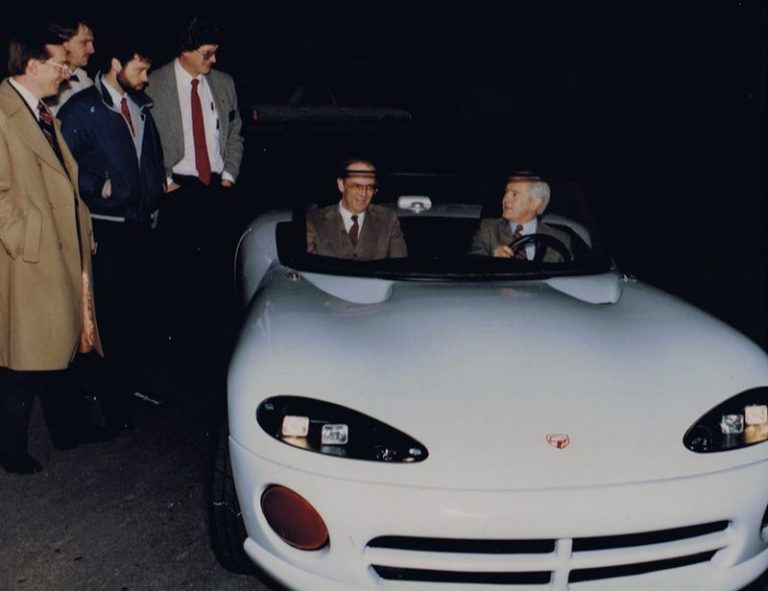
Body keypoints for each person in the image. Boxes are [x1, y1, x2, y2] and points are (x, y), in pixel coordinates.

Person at [0, 27, 104, 474]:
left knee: (59, 341)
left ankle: (67, 430)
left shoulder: (41, 111)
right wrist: (23, 237)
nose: (66, 72)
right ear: (33, 65)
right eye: (60, 64)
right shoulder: (3, 112)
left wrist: (80, 229)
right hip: (26, 257)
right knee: (21, 358)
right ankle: (10, 451)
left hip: (59, 246)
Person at [58, 36, 169, 427]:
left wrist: (157, 184)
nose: (146, 78)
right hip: (106, 230)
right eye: (140, 69)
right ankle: (109, 402)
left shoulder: (140, 106)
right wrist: (99, 187)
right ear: (116, 63)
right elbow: (60, 165)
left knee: (136, 316)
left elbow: (147, 156)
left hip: (140, 226)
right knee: (109, 319)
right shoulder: (83, 109)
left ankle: (125, 389)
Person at [147, 15, 244, 383]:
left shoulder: (223, 83)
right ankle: (178, 368)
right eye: (207, 53)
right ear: (185, 51)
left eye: (215, 53)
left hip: (215, 190)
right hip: (178, 192)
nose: (213, 60)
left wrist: (229, 177)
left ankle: (205, 367)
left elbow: (235, 132)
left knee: (211, 282)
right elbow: (144, 140)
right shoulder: (155, 83)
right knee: (176, 283)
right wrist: (164, 181)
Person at [306, 159, 408, 260]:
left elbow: (399, 264)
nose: (363, 194)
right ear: (341, 185)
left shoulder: (388, 220)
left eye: (369, 187)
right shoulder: (313, 221)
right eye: (356, 186)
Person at [469, 174, 572, 262]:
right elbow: (473, 263)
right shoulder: (488, 229)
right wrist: (492, 261)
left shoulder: (560, 239)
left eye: (514, 194)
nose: (505, 199)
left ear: (535, 203)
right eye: (506, 192)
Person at [45, 17, 95, 114]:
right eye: (84, 42)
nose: (92, 50)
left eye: (91, 42)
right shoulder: (47, 82)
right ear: (64, 42)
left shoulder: (85, 80)